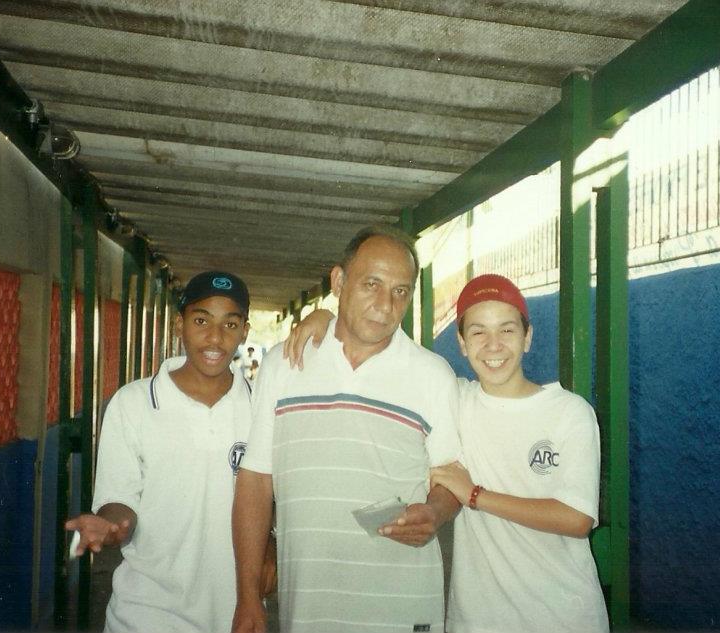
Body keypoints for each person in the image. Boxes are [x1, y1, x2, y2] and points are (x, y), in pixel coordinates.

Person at [288, 274, 609, 632]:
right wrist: (328, 321)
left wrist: (474, 495)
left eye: (506, 330)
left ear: (527, 336)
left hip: (563, 616)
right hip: (477, 619)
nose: (493, 345)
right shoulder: (455, 398)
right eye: (478, 332)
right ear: (461, 342)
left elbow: (576, 519)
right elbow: (387, 358)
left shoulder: (569, 412)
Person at [232, 225, 462, 633]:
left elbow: (451, 477)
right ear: (339, 282)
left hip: (403, 607)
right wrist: (248, 595)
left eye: (400, 291)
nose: (385, 305)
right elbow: (255, 481)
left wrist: (436, 512)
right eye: (371, 284)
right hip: (308, 608)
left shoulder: (432, 375)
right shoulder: (283, 364)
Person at [65, 271, 254, 633]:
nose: (215, 338)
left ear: (244, 331)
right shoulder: (133, 403)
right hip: (144, 615)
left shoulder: (260, 407)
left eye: (230, 324)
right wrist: (111, 525)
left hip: (234, 614)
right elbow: (118, 499)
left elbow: (271, 500)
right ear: (179, 324)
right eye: (201, 321)